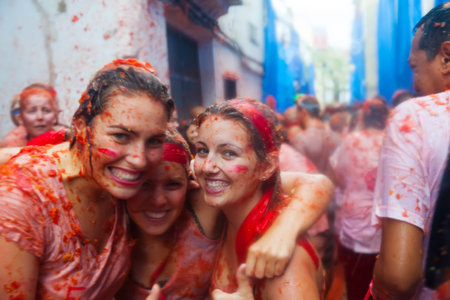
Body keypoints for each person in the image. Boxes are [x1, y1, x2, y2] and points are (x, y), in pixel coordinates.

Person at [0, 58, 174, 299]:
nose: (140, 160)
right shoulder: (23, 198)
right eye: (121, 136)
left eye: (154, 141)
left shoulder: (126, 184)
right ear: (82, 128)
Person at [117, 127, 334, 299]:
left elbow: (315, 182)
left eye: (173, 185)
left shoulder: (205, 206)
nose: (158, 201)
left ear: (190, 184)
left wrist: (284, 231)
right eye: (144, 184)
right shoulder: (109, 226)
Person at [194, 99, 332, 298]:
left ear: (266, 167)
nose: (207, 166)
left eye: (229, 153)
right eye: (202, 150)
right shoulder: (225, 208)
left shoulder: (283, 266)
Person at [371, 3, 450, 299]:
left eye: (415, 67)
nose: (414, 84)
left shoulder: (416, 117)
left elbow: (398, 277)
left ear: (446, 57)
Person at [329, 98, 389, 300]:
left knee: (357, 285)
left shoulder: (352, 140)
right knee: (384, 289)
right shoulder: (392, 139)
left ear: (363, 117)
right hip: (386, 226)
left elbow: (337, 176)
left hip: (356, 225)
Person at [1, 83, 66, 147]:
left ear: (56, 115)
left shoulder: (66, 142)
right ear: (20, 118)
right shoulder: (11, 145)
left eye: (46, 110)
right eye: (32, 111)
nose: (40, 117)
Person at [291, 95, 340, 175]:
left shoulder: (300, 139)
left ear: (304, 112)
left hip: (311, 186)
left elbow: (298, 173)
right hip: (332, 186)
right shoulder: (335, 136)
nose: (297, 117)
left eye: (297, 112)